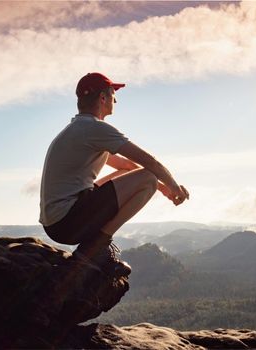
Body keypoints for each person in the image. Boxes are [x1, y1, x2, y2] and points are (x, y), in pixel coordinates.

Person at [39, 72, 189, 276]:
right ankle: (96, 247)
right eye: (112, 94)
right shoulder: (94, 128)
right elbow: (149, 161)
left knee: (144, 178)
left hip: (57, 222)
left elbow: (126, 165)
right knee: (149, 178)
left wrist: (163, 190)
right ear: (102, 98)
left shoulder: (79, 130)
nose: (115, 99)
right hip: (68, 221)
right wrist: (174, 186)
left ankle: (94, 245)